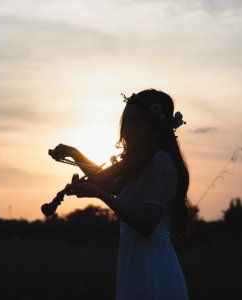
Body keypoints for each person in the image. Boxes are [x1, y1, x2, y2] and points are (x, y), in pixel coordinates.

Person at [50, 89, 191, 300]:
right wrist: (75, 154)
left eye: (135, 124)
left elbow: (146, 224)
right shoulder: (139, 161)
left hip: (153, 266)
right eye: (125, 122)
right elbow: (108, 181)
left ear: (156, 129)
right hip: (134, 264)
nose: (126, 130)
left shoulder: (160, 163)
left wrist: (100, 195)